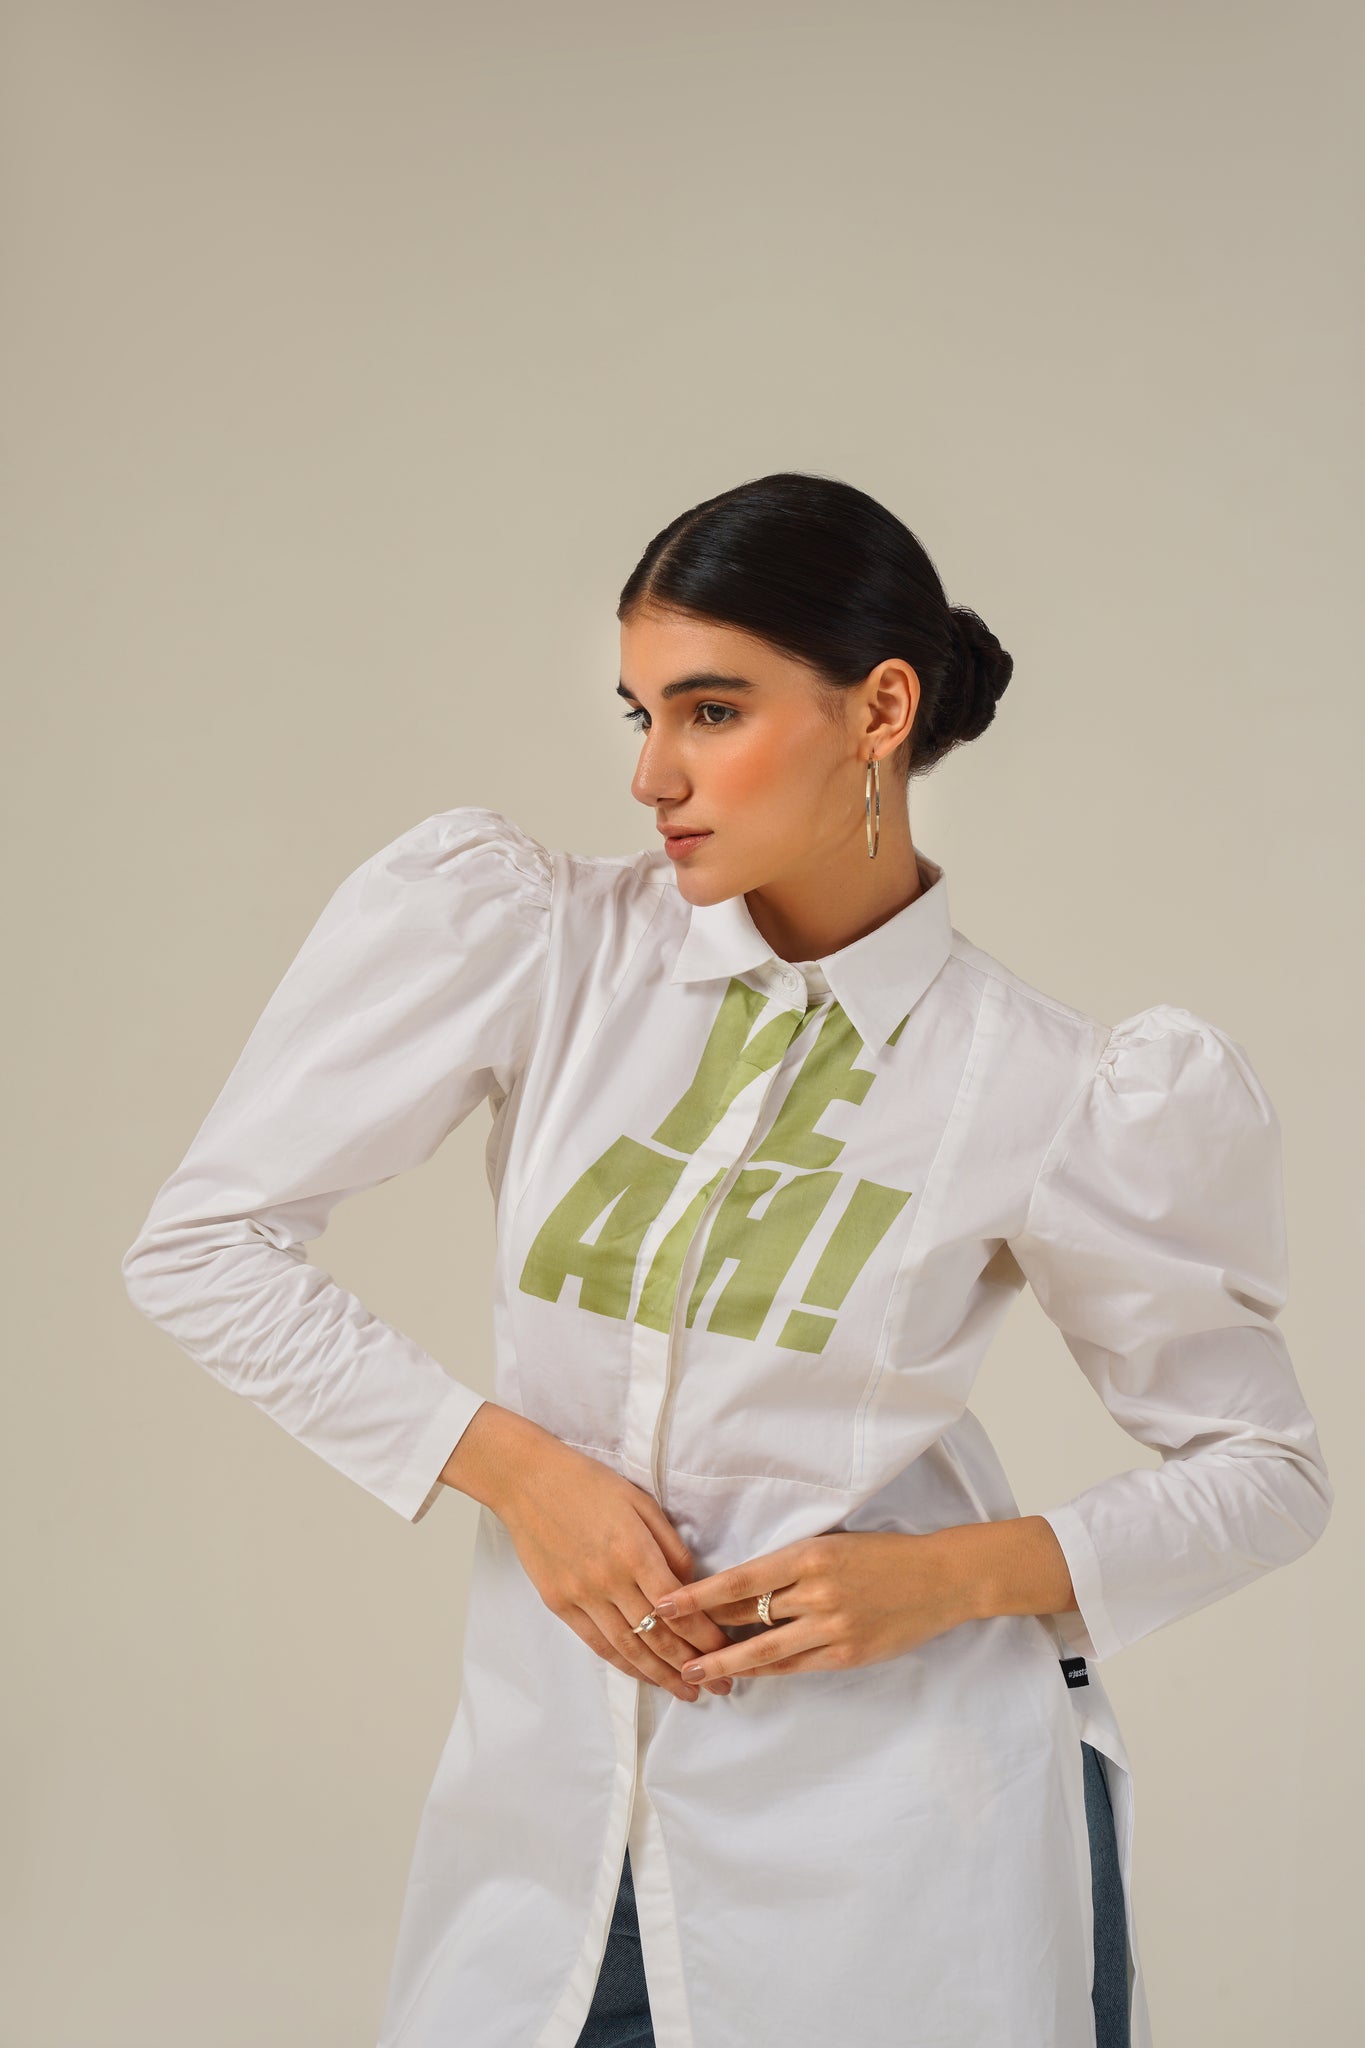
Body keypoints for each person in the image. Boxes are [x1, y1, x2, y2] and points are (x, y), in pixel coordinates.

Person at [121, 472, 1332, 2048]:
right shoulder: (544, 948)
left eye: (710, 711)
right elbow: (208, 1244)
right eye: (641, 714)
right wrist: (515, 1472)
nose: (651, 775)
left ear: (879, 710)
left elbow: (1262, 1471)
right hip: (549, 1835)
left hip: (903, 1857)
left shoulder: (1043, 1084)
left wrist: (946, 1579)